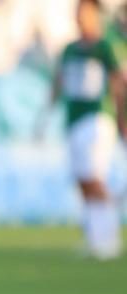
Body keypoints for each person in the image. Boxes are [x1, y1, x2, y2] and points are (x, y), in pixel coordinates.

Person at [38, 0, 125, 260]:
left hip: (98, 118)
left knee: (93, 177)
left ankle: (110, 237)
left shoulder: (106, 47)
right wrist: (44, 117)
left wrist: (122, 119)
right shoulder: (69, 50)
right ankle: (96, 238)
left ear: (94, 15)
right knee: (82, 180)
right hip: (74, 120)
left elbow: (119, 84)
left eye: (82, 12)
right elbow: (59, 84)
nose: (78, 17)